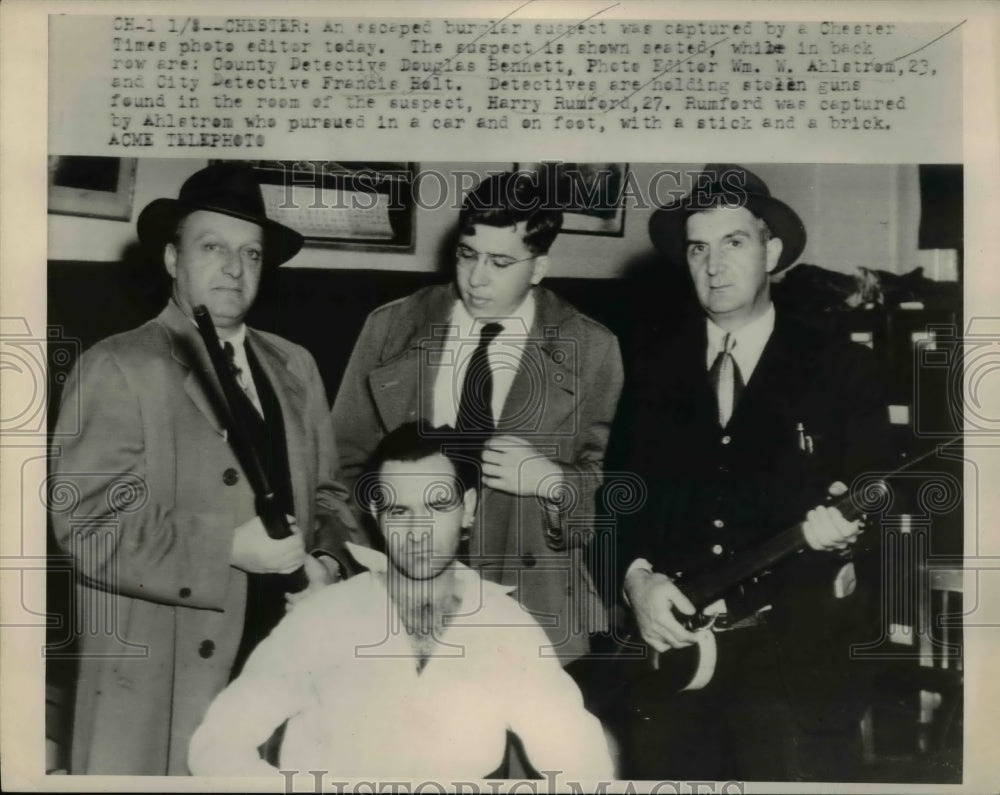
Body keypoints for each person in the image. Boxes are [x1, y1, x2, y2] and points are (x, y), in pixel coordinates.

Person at [49, 162, 360, 775]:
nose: (235, 267)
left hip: (281, 664)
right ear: (172, 259)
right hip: (167, 678)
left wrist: (329, 562)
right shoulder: (119, 366)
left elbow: (331, 495)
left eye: (251, 252)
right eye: (212, 247)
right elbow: (86, 526)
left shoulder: (295, 366)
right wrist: (226, 548)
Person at [617, 164, 892, 781]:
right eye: (698, 248)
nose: (713, 266)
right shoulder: (652, 369)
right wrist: (637, 582)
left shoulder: (840, 366)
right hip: (677, 662)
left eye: (733, 243)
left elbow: (880, 490)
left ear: (771, 251)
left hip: (796, 665)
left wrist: (849, 531)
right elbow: (618, 500)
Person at [188, 423, 615, 780]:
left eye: (436, 505)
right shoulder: (324, 619)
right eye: (399, 511)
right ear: (375, 515)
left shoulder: (505, 624)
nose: (417, 531)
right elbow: (217, 746)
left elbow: (581, 762)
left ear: (467, 509)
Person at [331, 172, 624, 664]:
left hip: (531, 605)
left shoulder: (592, 348)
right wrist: (364, 568)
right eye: (468, 255)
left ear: (539, 267)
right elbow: (342, 469)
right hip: (403, 598)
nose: (477, 278)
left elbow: (609, 489)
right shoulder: (392, 327)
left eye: (501, 262)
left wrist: (552, 482)